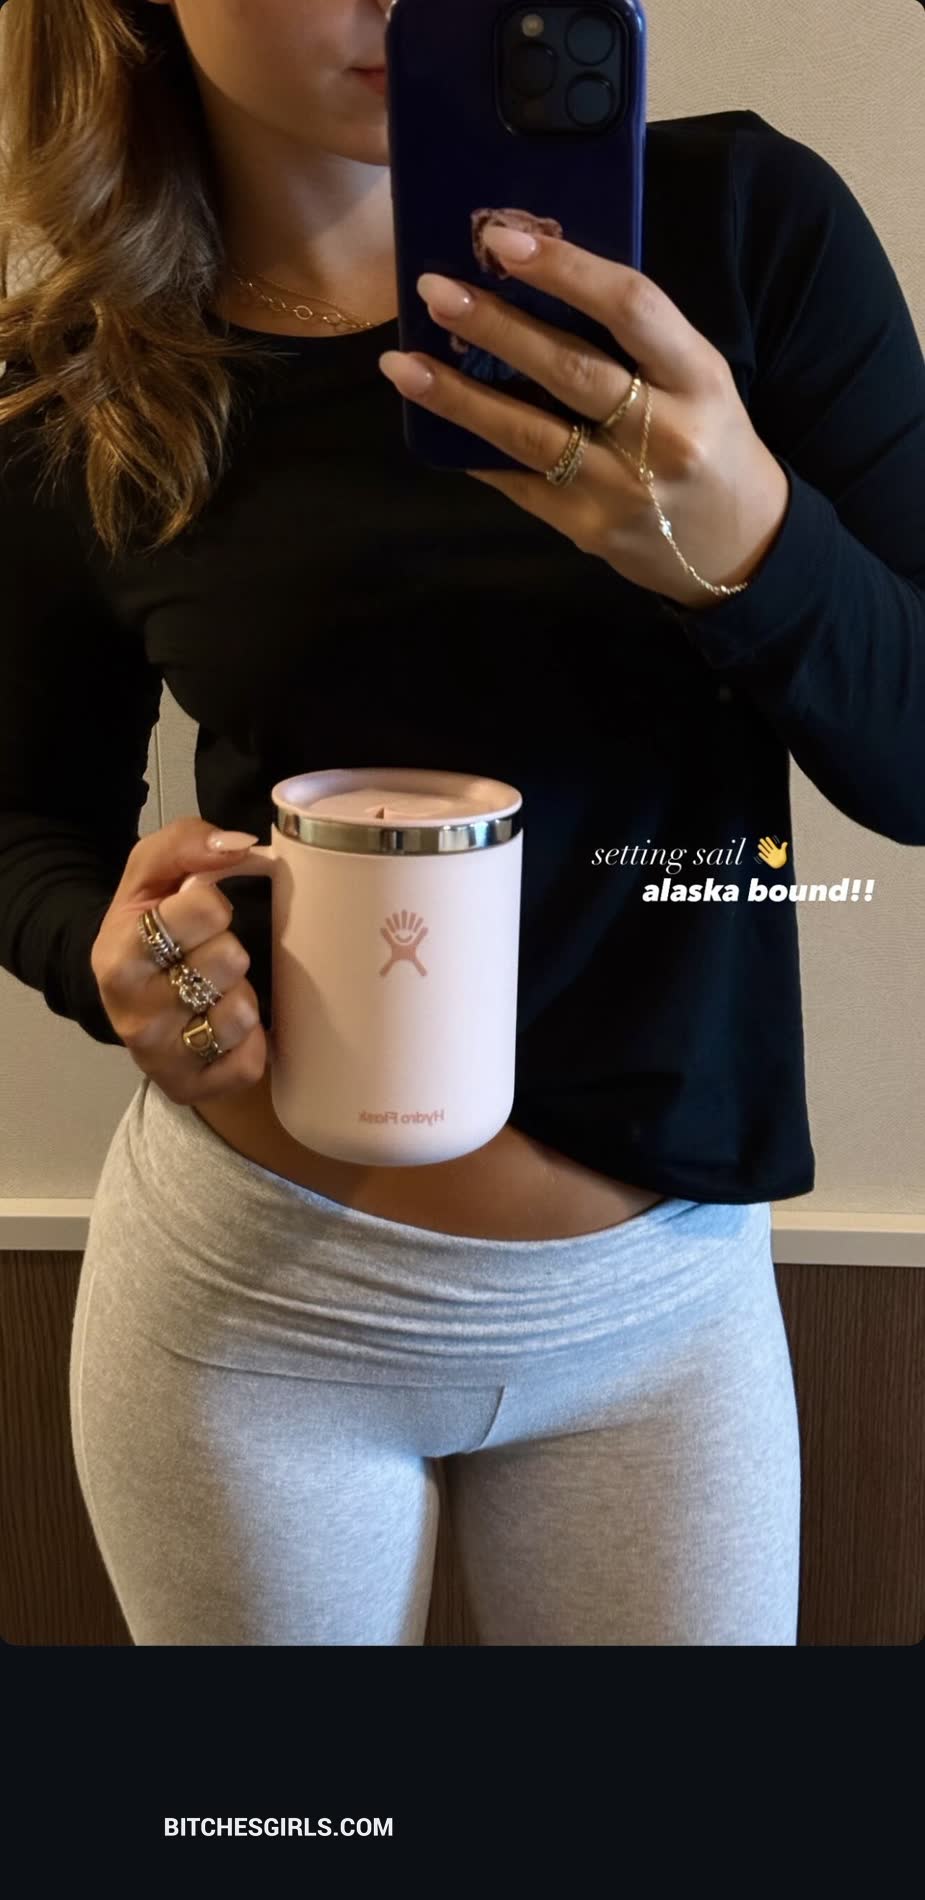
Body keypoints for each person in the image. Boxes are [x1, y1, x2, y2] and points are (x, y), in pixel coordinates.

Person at [1, 1, 922, 1647]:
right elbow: (21, 815)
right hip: (250, 1312)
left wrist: (752, 547)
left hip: (660, 1318)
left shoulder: (737, 234)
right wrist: (108, 955)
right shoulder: (86, 378)